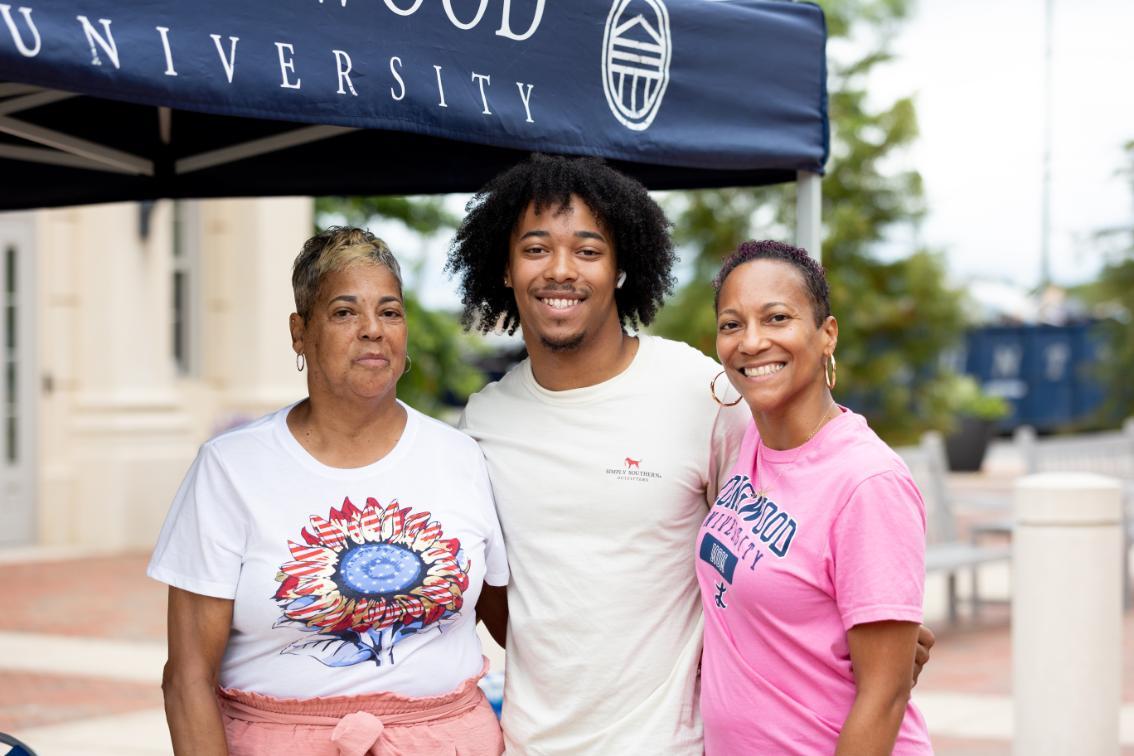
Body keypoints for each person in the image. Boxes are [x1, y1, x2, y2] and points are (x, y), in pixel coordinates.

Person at [447, 155, 933, 755]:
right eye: (537, 248)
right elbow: (493, 590)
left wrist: (870, 641)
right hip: (532, 741)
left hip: (678, 744)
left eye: (589, 250)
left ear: (623, 268)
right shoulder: (482, 423)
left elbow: (792, 515)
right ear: (504, 264)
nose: (562, 271)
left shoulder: (702, 391)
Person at [148, 227, 508, 755]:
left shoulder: (460, 457)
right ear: (300, 332)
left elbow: (510, 625)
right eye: (344, 312)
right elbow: (186, 680)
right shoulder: (231, 468)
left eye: (389, 312)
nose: (372, 330)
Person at [697, 239, 932, 754]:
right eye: (732, 324)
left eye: (777, 318)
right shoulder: (753, 440)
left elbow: (885, 695)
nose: (752, 342)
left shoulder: (867, 482)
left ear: (827, 334)